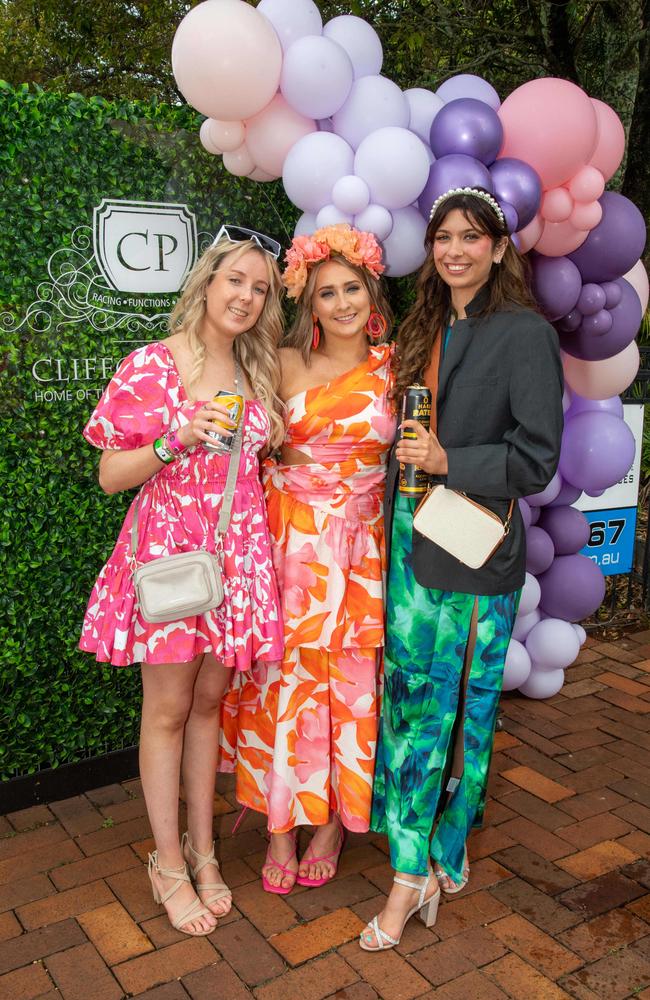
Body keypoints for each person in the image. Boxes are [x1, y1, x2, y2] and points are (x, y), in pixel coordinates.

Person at [362, 187, 563, 950]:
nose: (454, 250)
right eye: (443, 237)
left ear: (499, 248)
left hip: (477, 546)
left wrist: (452, 459)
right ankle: (426, 858)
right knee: (414, 708)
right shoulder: (423, 327)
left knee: (468, 715)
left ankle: (424, 866)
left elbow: (537, 460)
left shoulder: (526, 336)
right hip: (410, 544)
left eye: (470, 238)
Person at [79, 225, 286, 936]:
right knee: (167, 711)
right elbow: (110, 476)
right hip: (170, 560)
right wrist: (176, 438)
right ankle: (166, 862)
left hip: (238, 560)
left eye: (260, 288)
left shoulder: (258, 371)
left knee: (208, 709)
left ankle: (204, 851)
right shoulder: (153, 366)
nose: (247, 297)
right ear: (206, 281)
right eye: (236, 280)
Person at [223, 224, 396, 894]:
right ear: (310, 302)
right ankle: (278, 826)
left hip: (360, 547)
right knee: (283, 684)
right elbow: (246, 440)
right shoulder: (282, 359)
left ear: (371, 289)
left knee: (351, 684)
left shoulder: (396, 362)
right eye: (328, 292)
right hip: (287, 543)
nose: (343, 302)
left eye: (353, 287)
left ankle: (331, 825)